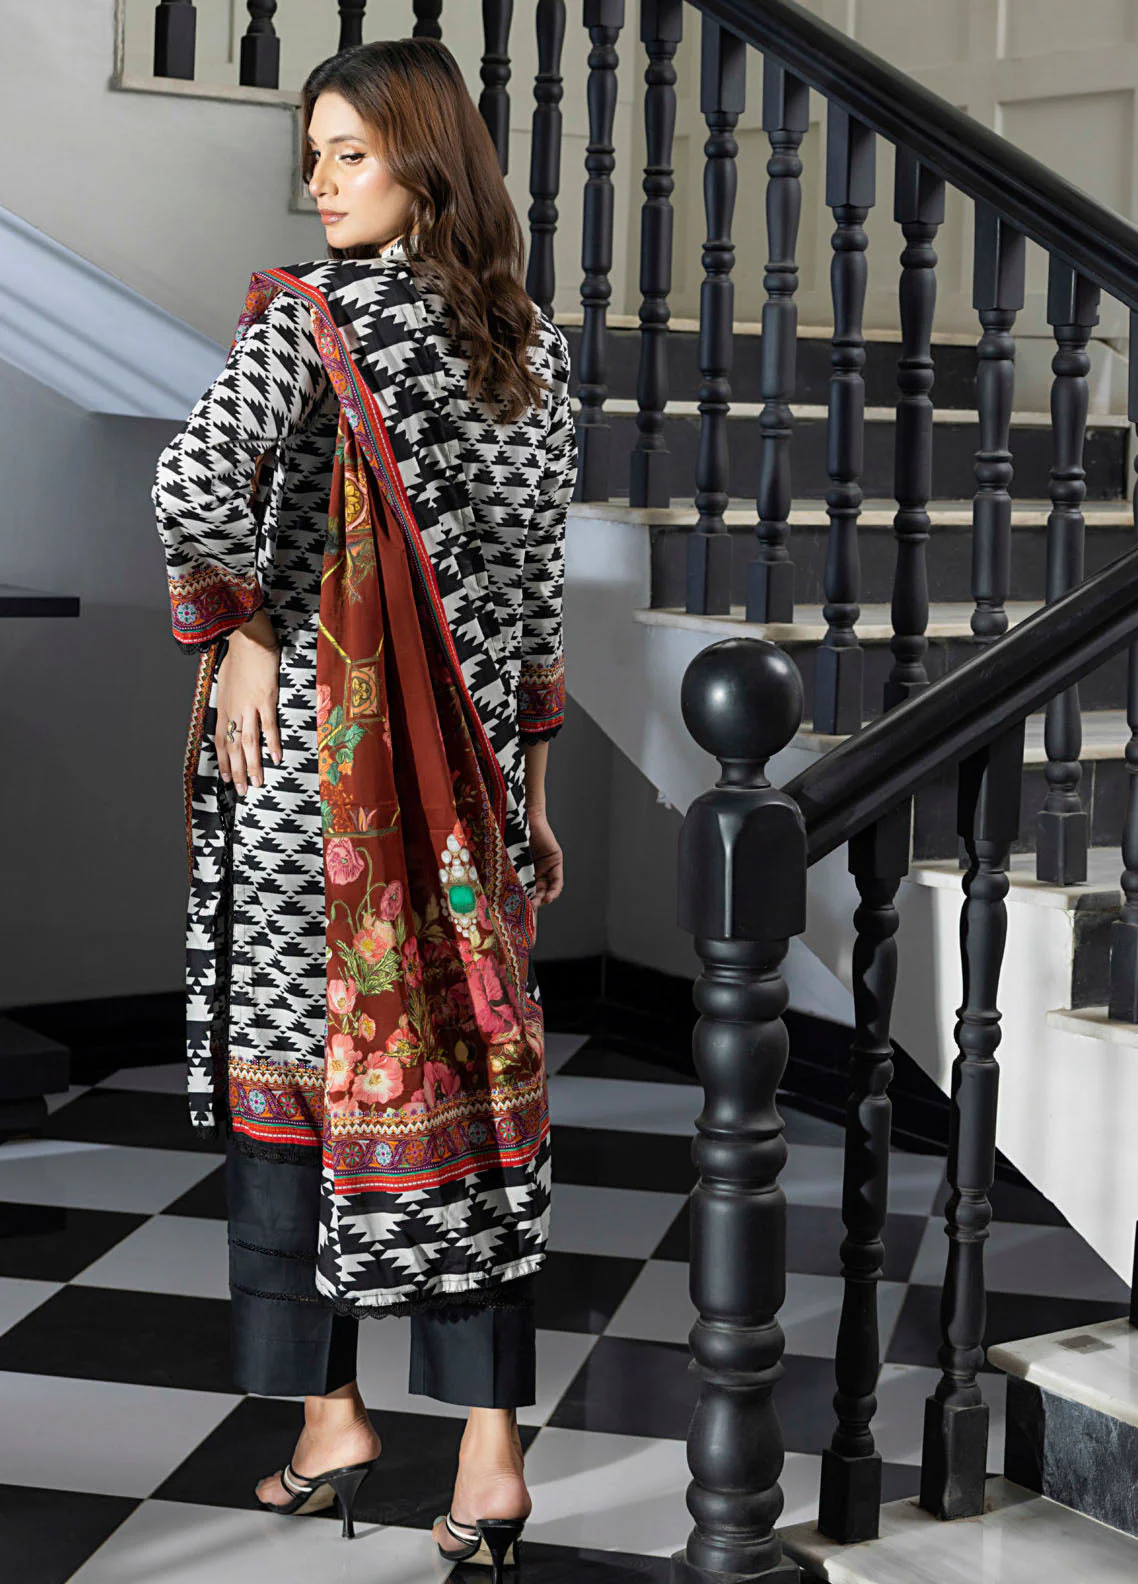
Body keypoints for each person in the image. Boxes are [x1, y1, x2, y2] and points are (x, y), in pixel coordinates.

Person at [152, 36, 577, 1576]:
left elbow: (187, 486)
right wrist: (532, 795)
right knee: (469, 1100)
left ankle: (329, 1419)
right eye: (314, 154)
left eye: (349, 152)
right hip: (460, 801)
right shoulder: (531, 351)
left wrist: (246, 631)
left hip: (309, 793)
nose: (319, 183)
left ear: (425, 161)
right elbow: (528, 608)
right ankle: (491, 1457)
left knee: (294, 1095)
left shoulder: (313, 320)